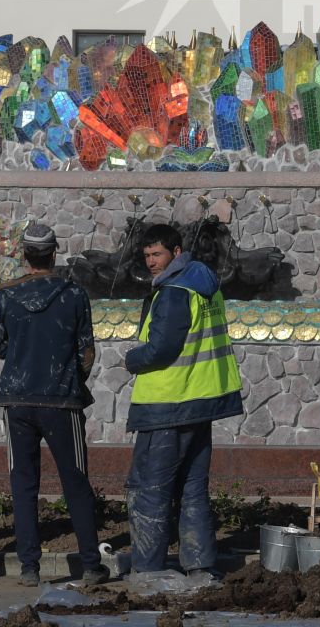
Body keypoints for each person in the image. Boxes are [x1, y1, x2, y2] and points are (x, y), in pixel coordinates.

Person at [122, 222, 244, 581]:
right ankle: (201, 565)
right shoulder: (204, 286)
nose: (151, 262)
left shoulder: (174, 292)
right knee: (192, 489)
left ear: (176, 252)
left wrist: (133, 359)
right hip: (201, 402)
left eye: (157, 254)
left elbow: (162, 348)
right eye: (146, 256)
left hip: (167, 406)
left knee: (150, 489)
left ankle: (147, 568)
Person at [0, 221, 111, 588]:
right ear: (53, 253)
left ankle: (30, 567)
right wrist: (73, 380)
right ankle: (91, 565)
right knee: (75, 482)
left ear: (24, 255)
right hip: (62, 401)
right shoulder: (74, 294)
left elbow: (1, 347)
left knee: (23, 484)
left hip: (17, 400)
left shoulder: (6, 295)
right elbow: (86, 351)